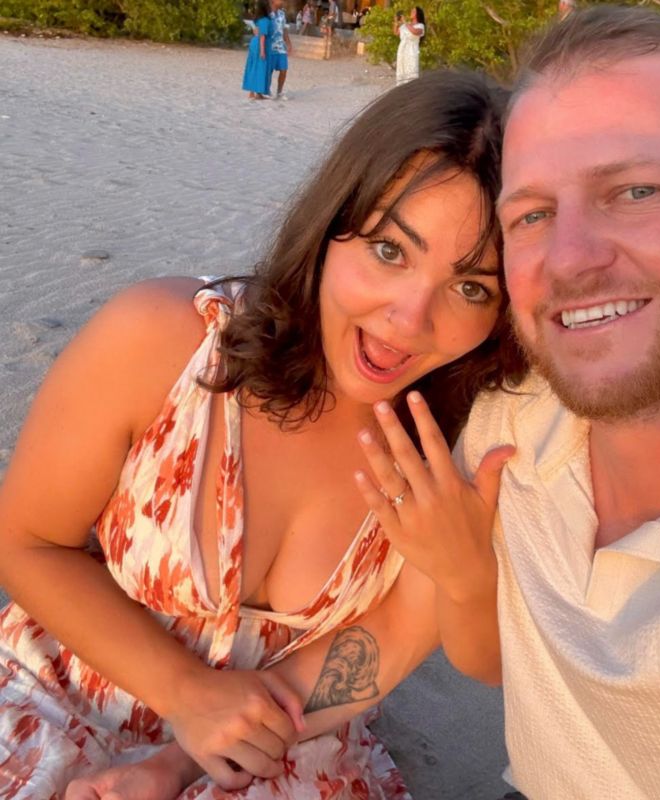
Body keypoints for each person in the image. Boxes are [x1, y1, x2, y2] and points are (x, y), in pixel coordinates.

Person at [0, 70, 524, 799]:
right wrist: (185, 692)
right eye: (389, 251)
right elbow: (27, 543)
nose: (409, 319)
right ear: (331, 226)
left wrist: (182, 761)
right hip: (59, 703)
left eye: (471, 288)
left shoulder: (459, 444)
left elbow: (398, 636)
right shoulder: (162, 343)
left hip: (284, 747)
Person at [358, 6, 660, 799]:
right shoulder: (508, 427)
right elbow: (491, 660)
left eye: (635, 190)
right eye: (531, 214)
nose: (568, 259)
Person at [241, 0, 274, 101]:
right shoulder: (265, 20)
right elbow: (262, 36)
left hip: (255, 44)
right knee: (260, 68)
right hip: (260, 45)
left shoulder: (259, 19)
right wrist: (262, 51)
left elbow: (256, 31)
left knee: (254, 67)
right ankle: (257, 93)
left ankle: (253, 92)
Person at [394, 7, 425, 86]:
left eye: (413, 11)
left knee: (411, 72)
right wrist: (396, 22)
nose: (411, 12)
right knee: (401, 71)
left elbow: (415, 32)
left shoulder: (420, 26)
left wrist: (405, 22)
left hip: (411, 52)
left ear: (418, 14)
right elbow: (396, 32)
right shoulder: (406, 25)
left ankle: (412, 89)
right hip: (402, 51)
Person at [268, 0, 292, 100]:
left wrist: (289, 43)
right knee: (269, 70)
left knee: (284, 69)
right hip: (270, 46)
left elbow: (284, 30)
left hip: (281, 47)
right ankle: (267, 90)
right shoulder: (267, 13)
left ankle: (279, 92)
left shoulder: (282, 13)